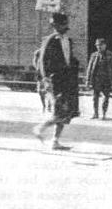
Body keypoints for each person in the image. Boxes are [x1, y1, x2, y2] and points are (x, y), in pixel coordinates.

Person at [33, 13, 80, 151]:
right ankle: (40, 129)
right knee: (60, 111)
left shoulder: (68, 40)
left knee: (67, 112)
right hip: (56, 79)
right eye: (62, 24)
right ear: (56, 26)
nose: (65, 26)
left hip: (68, 79)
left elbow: (69, 58)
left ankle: (55, 141)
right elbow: (42, 60)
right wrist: (45, 78)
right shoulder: (49, 40)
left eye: (65, 23)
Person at [85, 38, 112, 120]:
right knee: (95, 97)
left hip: (107, 80)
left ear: (105, 45)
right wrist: (87, 80)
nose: (99, 47)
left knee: (106, 97)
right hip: (96, 80)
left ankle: (104, 113)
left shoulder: (111, 55)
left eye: (100, 45)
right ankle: (95, 113)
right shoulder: (94, 55)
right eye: (97, 45)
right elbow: (89, 68)